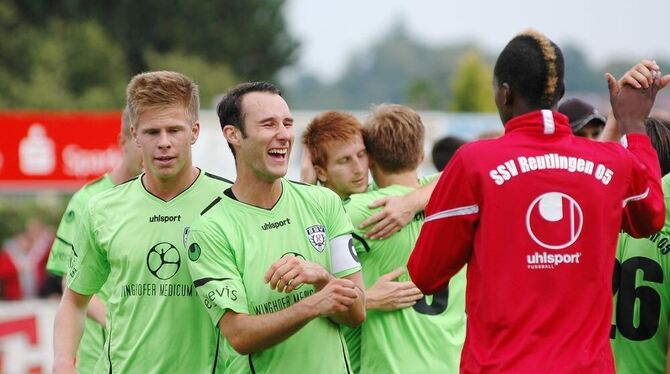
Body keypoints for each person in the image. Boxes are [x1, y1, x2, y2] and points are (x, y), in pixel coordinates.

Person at [408, 29, 667, 372]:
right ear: (560, 93)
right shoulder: (610, 163)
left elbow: (425, 275)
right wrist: (634, 124)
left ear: (504, 93)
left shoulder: (474, 163)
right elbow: (650, 216)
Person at [53, 71, 230, 373]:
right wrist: (61, 362)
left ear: (195, 131)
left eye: (174, 130)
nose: (164, 143)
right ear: (134, 134)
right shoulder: (101, 209)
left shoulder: (229, 202)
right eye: (152, 132)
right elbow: (73, 300)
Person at [185, 82, 365, 373]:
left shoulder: (324, 202)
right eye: (268, 124)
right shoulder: (210, 229)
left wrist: (321, 277)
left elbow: (357, 312)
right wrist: (314, 304)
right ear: (233, 135)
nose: (283, 135)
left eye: (287, 123)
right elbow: (240, 335)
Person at [301, 110, 426, 372]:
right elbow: (297, 303)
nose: (359, 169)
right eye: (344, 161)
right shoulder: (319, 219)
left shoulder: (380, 201)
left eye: (361, 155)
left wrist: (410, 203)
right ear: (321, 170)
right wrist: (367, 299)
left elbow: (451, 177)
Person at [345, 104, 465, 373]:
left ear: (370, 159)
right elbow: (466, 172)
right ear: (422, 154)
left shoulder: (361, 211)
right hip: (452, 364)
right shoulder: (458, 196)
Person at [46, 108, 142, 372]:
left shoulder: (167, 201)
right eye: (144, 139)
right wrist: (116, 321)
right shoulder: (87, 200)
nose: (156, 148)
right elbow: (69, 279)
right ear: (124, 140)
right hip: (98, 357)